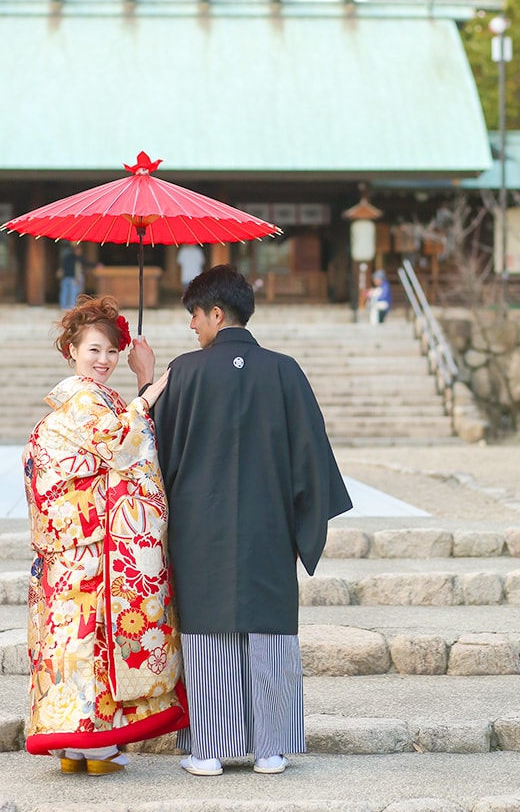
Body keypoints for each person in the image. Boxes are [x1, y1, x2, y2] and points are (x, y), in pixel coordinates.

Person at [128, 264, 352, 777]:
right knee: (268, 630)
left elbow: (149, 454)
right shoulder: (285, 370)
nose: (192, 327)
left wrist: (145, 378)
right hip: (268, 526)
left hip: (200, 531)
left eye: (195, 316)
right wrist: (303, 525)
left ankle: (208, 750)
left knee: (208, 633)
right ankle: (269, 749)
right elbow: (311, 459)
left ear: (216, 313)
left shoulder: (183, 372)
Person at [22, 294, 188, 775]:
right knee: (88, 641)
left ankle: (73, 748)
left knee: (74, 642)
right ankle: (93, 746)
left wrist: (138, 385)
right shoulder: (83, 399)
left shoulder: (94, 399)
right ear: (71, 350)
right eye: (94, 349)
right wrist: (151, 385)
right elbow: (123, 444)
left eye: (112, 351)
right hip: (91, 545)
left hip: (76, 545)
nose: (104, 360)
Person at [57, 241, 84, 310]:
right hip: (72, 278)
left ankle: (63, 307)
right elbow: (76, 269)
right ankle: (70, 308)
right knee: (72, 293)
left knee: (65, 293)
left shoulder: (66, 258)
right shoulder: (76, 259)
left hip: (65, 278)